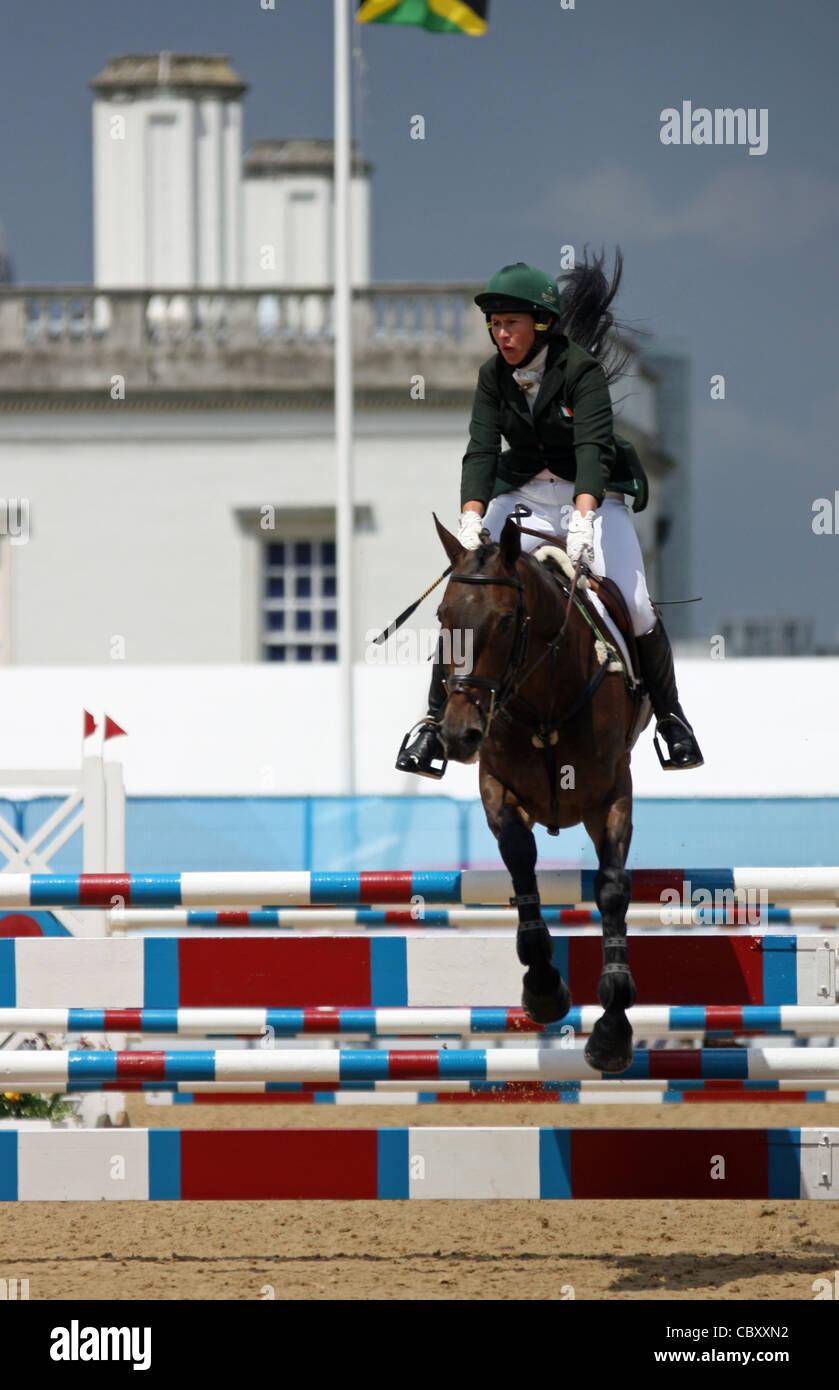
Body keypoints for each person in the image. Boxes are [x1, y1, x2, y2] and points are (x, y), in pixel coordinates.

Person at [395, 255, 703, 778]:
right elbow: (481, 450)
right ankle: (430, 722)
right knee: (467, 592)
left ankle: (672, 720)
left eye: (511, 323)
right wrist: (470, 519)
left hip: (593, 499)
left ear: (542, 324)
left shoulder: (581, 370)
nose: (501, 335)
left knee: (637, 603)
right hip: (523, 498)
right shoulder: (493, 375)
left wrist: (583, 520)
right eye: (494, 324)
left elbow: (592, 451)